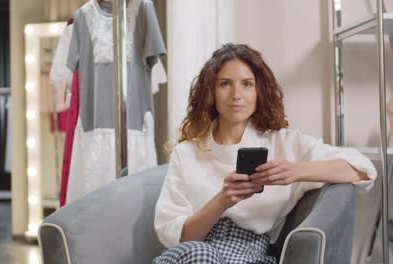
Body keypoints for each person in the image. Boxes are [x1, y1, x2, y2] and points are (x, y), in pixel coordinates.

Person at [153, 43, 377, 264]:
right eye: (225, 84)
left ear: (259, 90)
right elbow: (179, 238)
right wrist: (222, 201)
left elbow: (362, 168)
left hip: (252, 256)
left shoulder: (284, 143)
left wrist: (295, 171)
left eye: (247, 84)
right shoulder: (186, 153)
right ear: (210, 92)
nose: (236, 95)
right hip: (191, 254)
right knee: (201, 254)